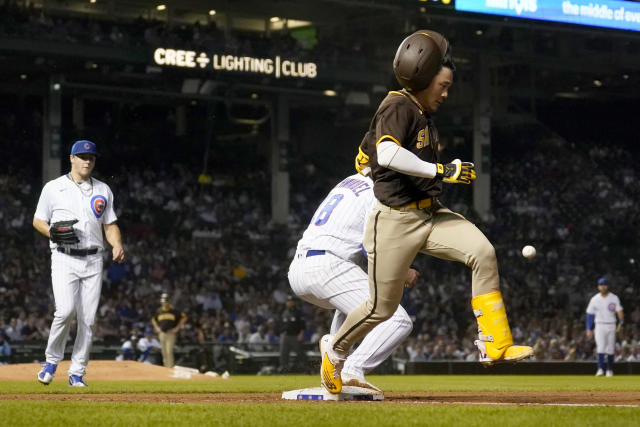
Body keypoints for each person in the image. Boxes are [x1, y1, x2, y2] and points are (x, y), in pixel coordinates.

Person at [319, 30, 532, 394]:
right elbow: (385, 154)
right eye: (443, 85)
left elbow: (371, 156)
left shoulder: (417, 112)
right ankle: (335, 351)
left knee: (483, 252)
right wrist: (443, 170)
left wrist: (370, 160)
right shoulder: (397, 105)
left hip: (431, 215)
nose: (446, 93)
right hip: (394, 222)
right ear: (422, 79)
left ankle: (493, 342)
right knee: (380, 309)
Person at [288, 173, 417, 392]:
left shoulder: (348, 182)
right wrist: (402, 271)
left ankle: (332, 370)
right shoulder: (380, 190)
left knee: (353, 309)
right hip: (328, 265)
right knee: (398, 321)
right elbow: (372, 245)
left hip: (300, 267)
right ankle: (352, 368)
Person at [34, 139, 125, 387]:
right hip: (64, 256)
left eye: (91, 157)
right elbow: (38, 220)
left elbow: (110, 224)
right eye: (82, 156)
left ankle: (76, 372)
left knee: (88, 319)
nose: (87, 160)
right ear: (71, 158)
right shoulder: (53, 188)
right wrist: (52, 232)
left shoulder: (103, 190)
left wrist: (116, 244)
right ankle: (51, 361)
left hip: (94, 258)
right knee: (64, 311)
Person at [586, 277, 624, 377]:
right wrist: (589, 328)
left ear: (608, 286)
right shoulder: (595, 299)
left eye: (605, 285)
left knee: (610, 348)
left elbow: (619, 311)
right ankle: (600, 369)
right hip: (599, 325)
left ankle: (610, 370)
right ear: (598, 287)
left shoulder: (614, 297)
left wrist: (621, 322)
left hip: (611, 324)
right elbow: (590, 314)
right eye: (601, 285)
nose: (603, 287)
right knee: (601, 347)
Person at [152, 293, 187, 368]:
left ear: (168, 302)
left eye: (166, 301)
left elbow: (184, 317)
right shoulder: (159, 311)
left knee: (169, 351)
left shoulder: (173, 310)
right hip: (162, 333)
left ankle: (170, 368)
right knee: (164, 352)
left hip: (170, 333)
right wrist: (156, 328)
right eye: (163, 301)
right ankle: (166, 368)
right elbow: (153, 319)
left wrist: (177, 328)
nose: (164, 303)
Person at [278, 296, 307, 373]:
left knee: (300, 352)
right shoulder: (284, 312)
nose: (289, 302)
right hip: (285, 335)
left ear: (293, 302)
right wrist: (280, 333)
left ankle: (303, 367)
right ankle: (284, 368)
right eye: (288, 301)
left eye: (290, 301)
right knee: (283, 352)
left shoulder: (298, 312)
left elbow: (302, 324)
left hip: (295, 335)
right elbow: (280, 324)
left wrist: (301, 334)